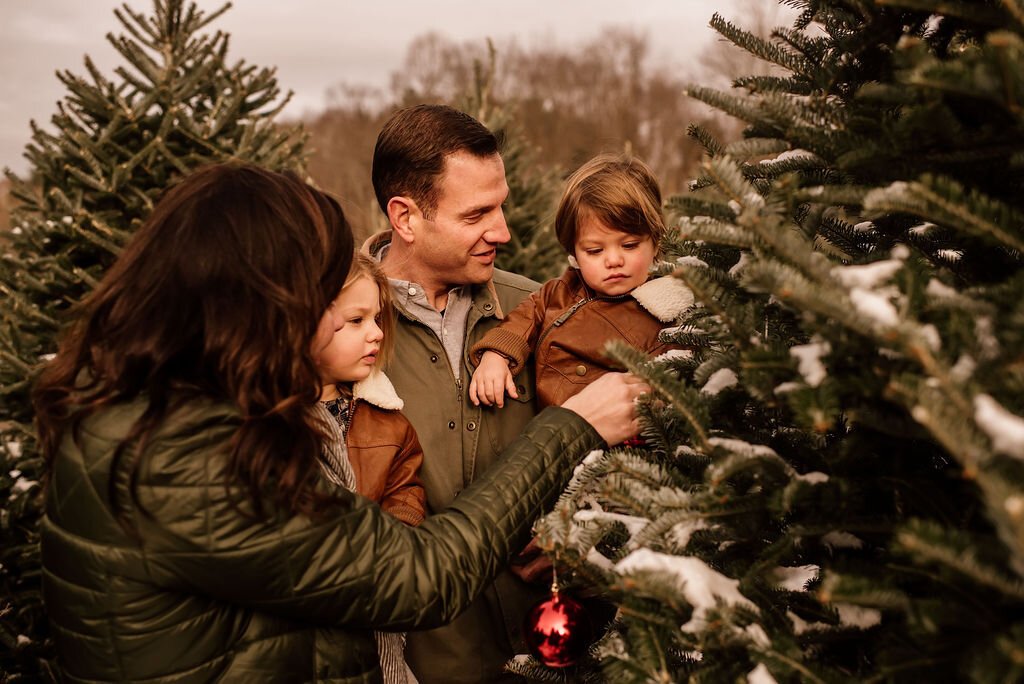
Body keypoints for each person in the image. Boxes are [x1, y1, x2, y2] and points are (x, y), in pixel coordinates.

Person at [33, 162, 648, 683]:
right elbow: (417, 575)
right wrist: (570, 426)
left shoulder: (167, 408)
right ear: (257, 297)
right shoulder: (181, 457)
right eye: (321, 290)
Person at [367, 104, 547, 682]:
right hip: (418, 659)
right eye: (477, 214)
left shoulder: (540, 310)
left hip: (547, 649)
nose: (503, 231)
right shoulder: (337, 332)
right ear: (406, 217)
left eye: (502, 206)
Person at [469, 153, 694, 410]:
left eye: (629, 246)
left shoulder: (666, 312)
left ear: (655, 242)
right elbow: (519, 324)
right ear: (574, 252)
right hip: (558, 432)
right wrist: (496, 356)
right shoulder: (560, 292)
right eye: (595, 251)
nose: (613, 260)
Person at [317, 253, 425, 683]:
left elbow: (407, 496)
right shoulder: (271, 420)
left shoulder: (389, 421)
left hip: (381, 613)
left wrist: (391, 551)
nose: (377, 333)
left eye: (377, 319)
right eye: (356, 320)